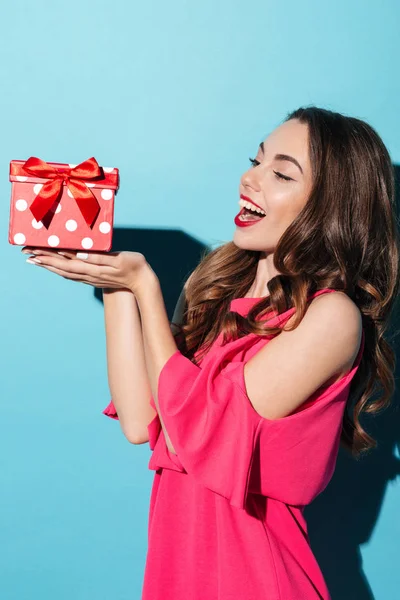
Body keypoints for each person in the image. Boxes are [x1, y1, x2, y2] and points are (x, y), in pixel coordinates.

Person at [22, 106, 400, 599]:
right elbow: (143, 422)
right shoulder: (220, 297)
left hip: (256, 580)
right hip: (179, 578)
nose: (251, 177)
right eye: (256, 160)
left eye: (282, 173)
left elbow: (193, 435)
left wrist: (145, 284)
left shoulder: (331, 317)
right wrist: (115, 287)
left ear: (329, 206)